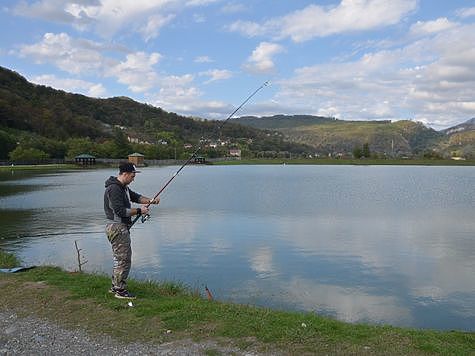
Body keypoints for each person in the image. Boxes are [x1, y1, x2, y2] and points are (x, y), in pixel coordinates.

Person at [103, 162, 159, 299]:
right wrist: (140, 210)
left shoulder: (124, 188)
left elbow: (136, 197)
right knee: (124, 259)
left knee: (120, 258)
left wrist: (151, 200)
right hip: (117, 227)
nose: (134, 178)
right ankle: (119, 290)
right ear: (125, 174)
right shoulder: (114, 189)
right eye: (133, 175)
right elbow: (120, 211)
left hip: (120, 227)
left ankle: (115, 285)